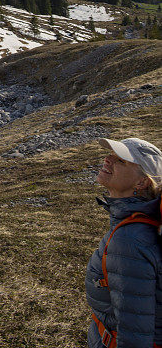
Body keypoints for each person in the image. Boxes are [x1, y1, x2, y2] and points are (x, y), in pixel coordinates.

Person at [86, 137, 162, 348]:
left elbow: (135, 334)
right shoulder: (140, 222)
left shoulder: (130, 241)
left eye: (121, 160)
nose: (107, 160)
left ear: (142, 182)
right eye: (110, 154)